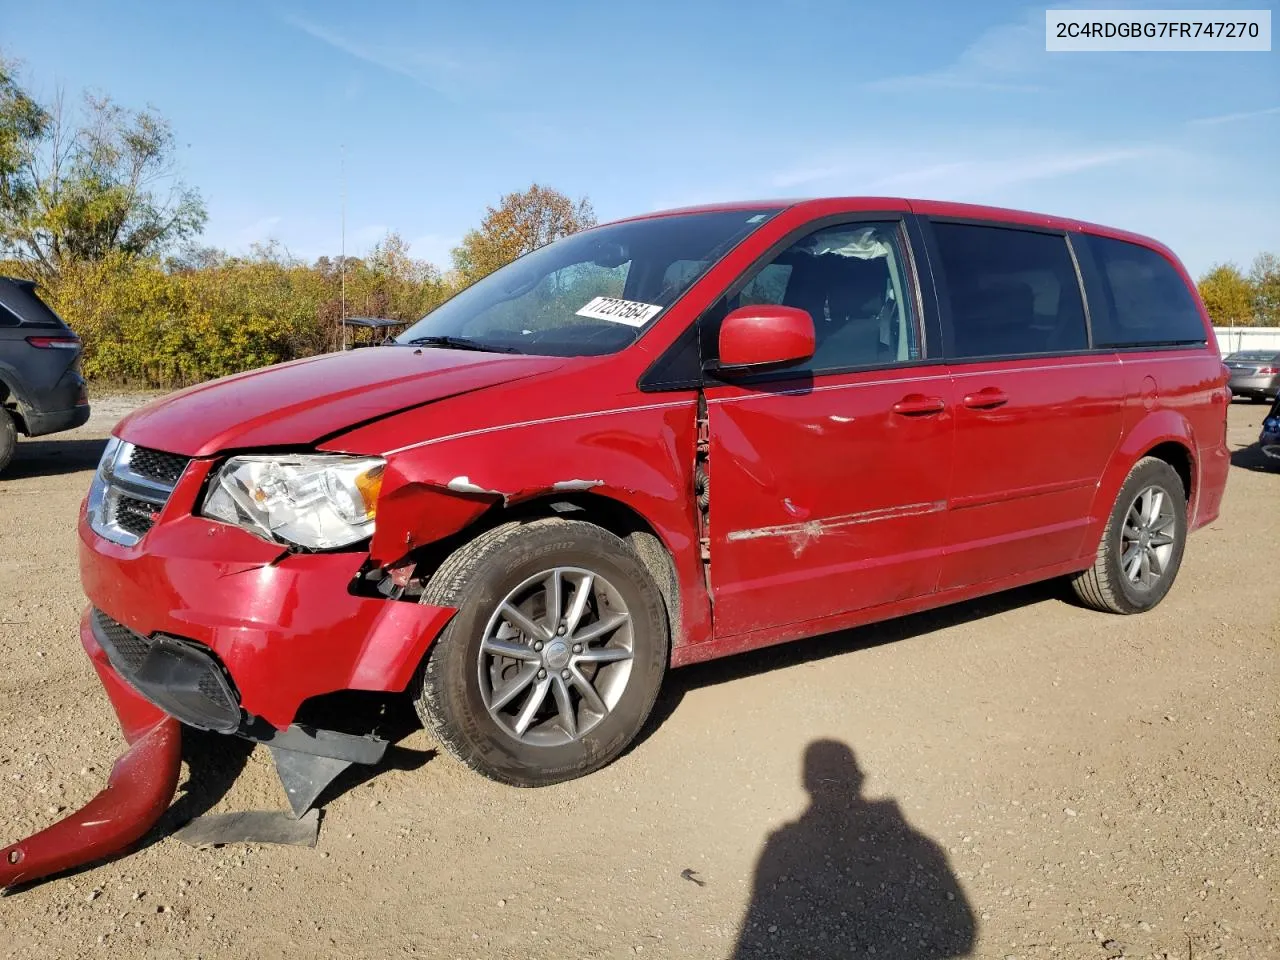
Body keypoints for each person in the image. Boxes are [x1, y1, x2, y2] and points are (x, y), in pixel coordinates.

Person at [734, 739, 975, 959]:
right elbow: (963, 935)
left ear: (806, 782)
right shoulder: (921, 845)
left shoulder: (781, 844)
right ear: (859, 777)